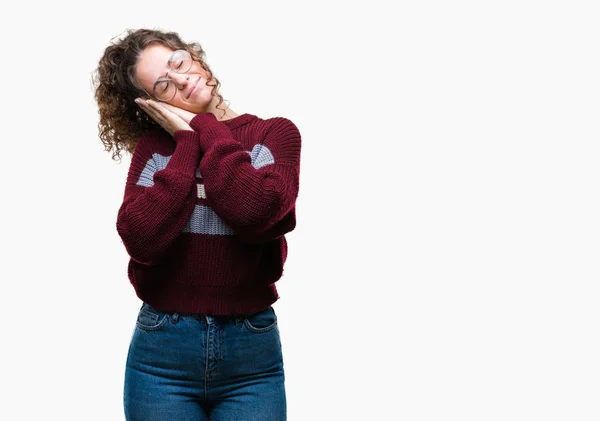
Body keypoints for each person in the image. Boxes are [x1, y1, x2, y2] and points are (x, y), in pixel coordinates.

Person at [91, 27, 301, 421]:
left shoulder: (274, 134)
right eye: (165, 85)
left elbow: (257, 214)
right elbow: (141, 239)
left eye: (179, 62)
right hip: (161, 359)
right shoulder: (155, 150)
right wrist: (185, 143)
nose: (183, 80)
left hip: (251, 358)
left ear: (194, 55)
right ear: (152, 104)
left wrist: (204, 128)